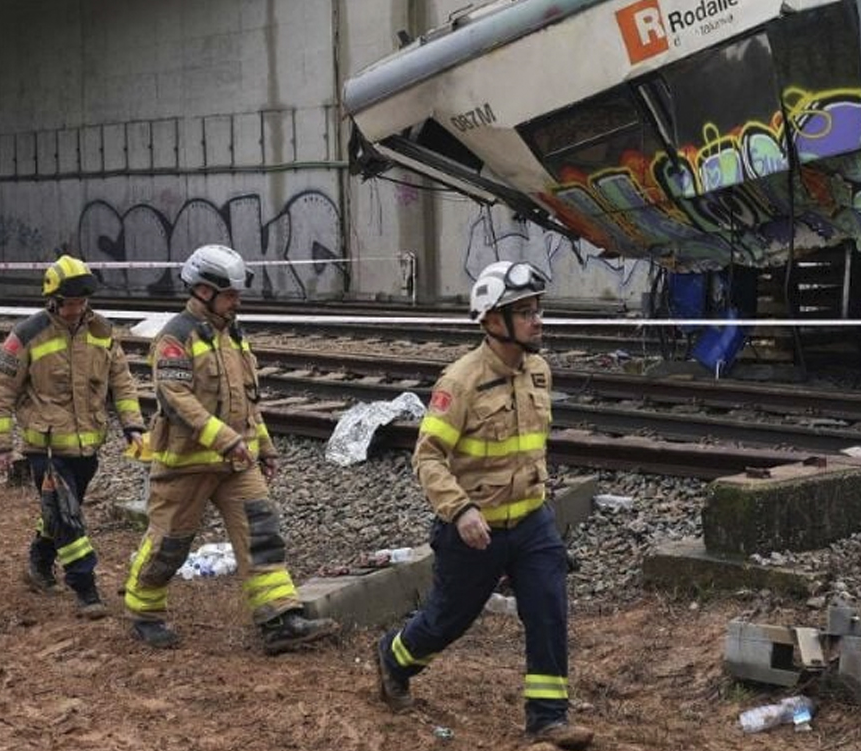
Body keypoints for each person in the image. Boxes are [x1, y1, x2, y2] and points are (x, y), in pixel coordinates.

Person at [374, 262, 593, 750]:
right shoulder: (462, 381)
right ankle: (394, 657)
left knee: (548, 610)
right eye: (525, 311)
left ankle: (548, 720)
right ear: (493, 321)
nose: (538, 320)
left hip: (533, 522)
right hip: (475, 530)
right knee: (447, 621)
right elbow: (427, 457)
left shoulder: (538, 370)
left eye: (538, 309)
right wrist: (461, 510)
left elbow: (530, 444)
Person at [122, 244, 338, 653]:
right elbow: (176, 398)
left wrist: (265, 447)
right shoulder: (176, 337)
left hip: (237, 463)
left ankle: (279, 618)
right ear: (203, 291)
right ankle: (144, 611)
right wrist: (227, 439)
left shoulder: (232, 335)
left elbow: (247, 400)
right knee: (170, 544)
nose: (237, 301)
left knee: (262, 533)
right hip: (186, 464)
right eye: (230, 294)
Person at [0, 255, 146, 619]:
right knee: (69, 517)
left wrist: (133, 424)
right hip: (47, 447)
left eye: (81, 302)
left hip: (88, 446)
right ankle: (85, 588)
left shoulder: (102, 332)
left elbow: (122, 382)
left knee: (57, 513)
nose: (76, 309)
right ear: (52, 299)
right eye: (69, 303)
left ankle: (39, 563)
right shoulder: (26, 335)